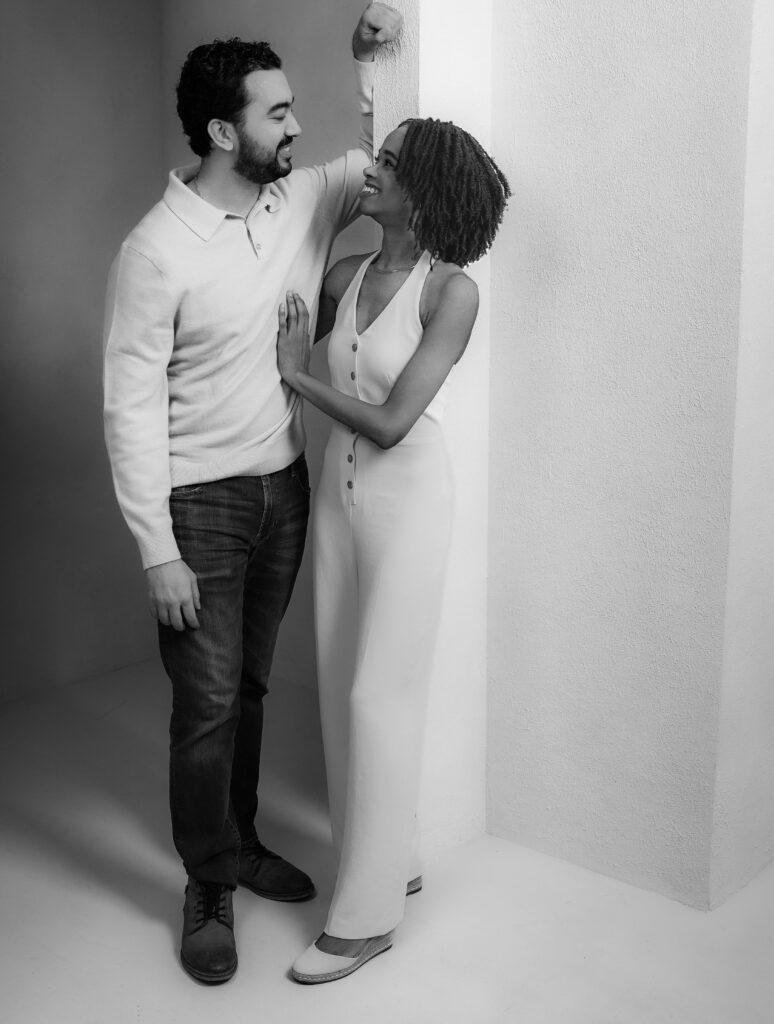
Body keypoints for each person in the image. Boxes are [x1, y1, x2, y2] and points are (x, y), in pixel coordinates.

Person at [102, 4, 403, 985]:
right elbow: (128, 407)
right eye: (278, 113)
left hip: (285, 490)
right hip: (199, 507)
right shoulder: (155, 250)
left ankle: (239, 842)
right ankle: (208, 884)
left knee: (251, 690)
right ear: (223, 132)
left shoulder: (301, 198)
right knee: (206, 706)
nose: (297, 126)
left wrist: (371, 62)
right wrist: (157, 548)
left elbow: (385, 161)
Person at [275, 117, 510, 983]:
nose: (371, 171)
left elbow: (391, 421)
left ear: (428, 190)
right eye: (378, 157)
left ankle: (366, 919)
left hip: (408, 499)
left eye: (389, 164)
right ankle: (390, 861)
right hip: (336, 500)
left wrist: (297, 375)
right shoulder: (345, 275)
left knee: (382, 694)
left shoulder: (452, 294)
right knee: (342, 683)